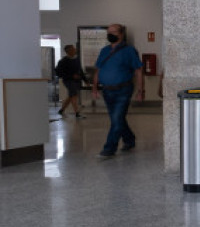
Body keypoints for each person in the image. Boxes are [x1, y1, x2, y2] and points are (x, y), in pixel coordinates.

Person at [92, 24, 144, 159]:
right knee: (118, 119)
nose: (110, 35)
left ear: (121, 34)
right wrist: (94, 87)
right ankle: (129, 139)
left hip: (123, 90)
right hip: (107, 91)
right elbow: (98, 70)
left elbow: (138, 71)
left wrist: (140, 90)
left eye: (113, 32)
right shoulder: (104, 50)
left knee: (116, 119)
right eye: (108, 32)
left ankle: (109, 149)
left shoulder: (129, 51)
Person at [56, 44, 85, 119]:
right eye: (73, 49)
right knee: (74, 94)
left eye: (74, 48)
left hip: (76, 81)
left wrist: (85, 80)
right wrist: (71, 76)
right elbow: (59, 73)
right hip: (68, 81)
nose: (75, 50)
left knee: (71, 96)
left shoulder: (77, 59)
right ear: (68, 51)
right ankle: (77, 113)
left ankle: (61, 110)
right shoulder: (63, 61)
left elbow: (80, 70)